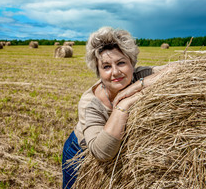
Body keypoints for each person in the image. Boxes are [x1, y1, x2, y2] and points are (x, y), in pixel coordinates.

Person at [62, 26, 168, 189]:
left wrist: (137, 87)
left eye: (121, 63)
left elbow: (188, 69)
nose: (116, 72)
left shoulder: (140, 76)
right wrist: (123, 104)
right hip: (79, 153)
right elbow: (102, 152)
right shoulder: (89, 102)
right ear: (98, 71)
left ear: (132, 64)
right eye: (106, 67)